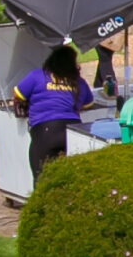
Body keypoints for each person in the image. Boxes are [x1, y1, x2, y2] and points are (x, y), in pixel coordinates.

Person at [11, 40, 92, 184]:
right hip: (73, 130)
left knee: (41, 179)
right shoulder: (79, 82)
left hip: (45, 131)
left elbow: (18, 94)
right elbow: (88, 103)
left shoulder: (37, 76)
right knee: (70, 180)